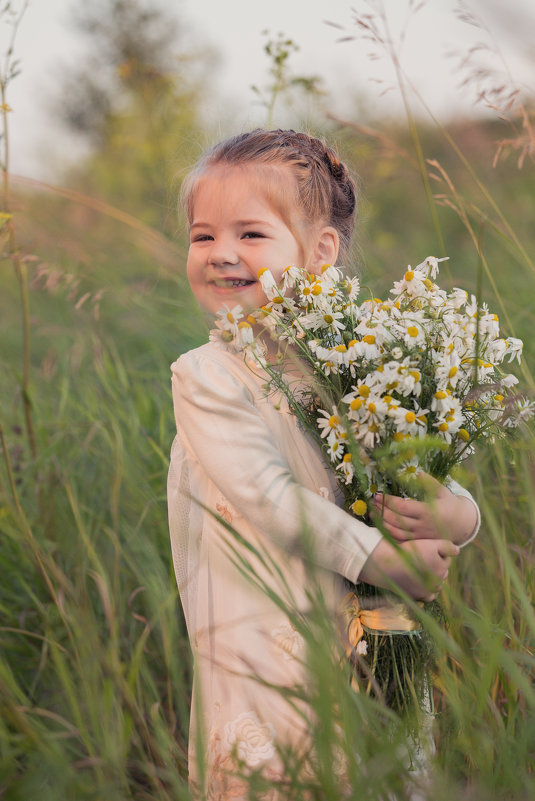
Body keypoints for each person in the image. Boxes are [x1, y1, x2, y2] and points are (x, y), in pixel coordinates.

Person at [167, 129, 480, 799]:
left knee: (380, 770)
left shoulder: (358, 361)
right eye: (203, 236)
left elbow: (425, 474)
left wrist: (451, 515)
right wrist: (388, 561)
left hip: (375, 643)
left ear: (318, 252)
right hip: (264, 646)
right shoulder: (207, 376)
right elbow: (269, 496)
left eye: (250, 234)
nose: (222, 253)